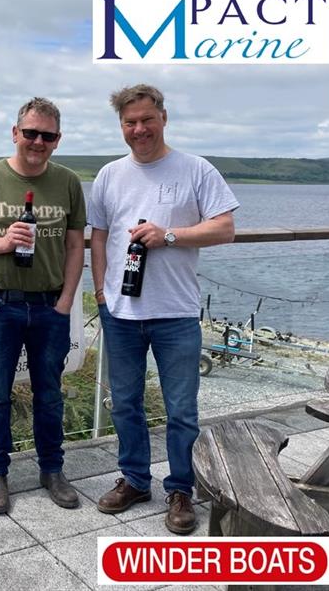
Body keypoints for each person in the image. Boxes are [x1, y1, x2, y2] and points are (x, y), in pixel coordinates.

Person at [89, 84, 239, 534]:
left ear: (164, 118)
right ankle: (135, 480)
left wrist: (169, 235)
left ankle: (180, 489)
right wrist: (100, 291)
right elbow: (99, 235)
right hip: (120, 313)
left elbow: (225, 228)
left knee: (180, 409)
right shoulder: (109, 174)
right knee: (126, 405)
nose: (139, 130)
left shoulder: (196, 169)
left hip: (175, 312)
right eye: (130, 123)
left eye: (146, 120)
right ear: (121, 126)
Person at [0, 97, 86, 514]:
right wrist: (1, 244)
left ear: (57, 140)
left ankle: (52, 470)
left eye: (47, 135)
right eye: (30, 133)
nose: (37, 141)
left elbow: (75, 244)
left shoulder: (67, 182)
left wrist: (65, 303)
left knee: (50, 395)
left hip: (50, 308)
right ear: (15, 133)